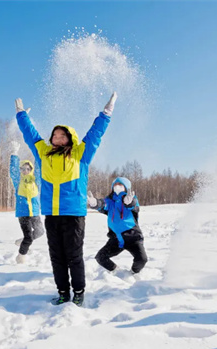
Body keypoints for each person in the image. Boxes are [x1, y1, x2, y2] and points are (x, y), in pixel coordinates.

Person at [15, 92, 117, 306]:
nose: (58, 138)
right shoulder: (43, 152)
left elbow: (95, 134)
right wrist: (21, 115)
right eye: (55, 135)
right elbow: (30, 134)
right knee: (56, 257)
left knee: (74, 256)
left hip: (74, 215)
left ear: (70, 138)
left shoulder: (81, 154)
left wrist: (106, 113)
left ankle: (78, 292)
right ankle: (63, 292)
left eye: (63, 136)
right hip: (52, 214)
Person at [87, 177, 148, 274]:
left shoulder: (131, 199)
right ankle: (117, 272)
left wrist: (130, 202)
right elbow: (102, 204)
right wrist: (95, 203)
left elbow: (134, 206)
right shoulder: (110, 201)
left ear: (126, 187)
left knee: (142, 259)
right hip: (116, 239)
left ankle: (133, 274)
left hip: (132, 237)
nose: (117, 187)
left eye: (120, 185)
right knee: (100, 257)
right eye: (115, 185)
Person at [9, 141, 44, 264]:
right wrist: (14, 153)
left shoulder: (36, 181)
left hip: (34, 212)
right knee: (29, 237)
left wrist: (38, 153)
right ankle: (21, 256)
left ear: (31, 169)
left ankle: (22, 241)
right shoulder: (18, 181)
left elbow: (39, 167)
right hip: (23, 214)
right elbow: (13, 171)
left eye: (27, 169)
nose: (25, 170)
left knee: (40, 232)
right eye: (23, 169)